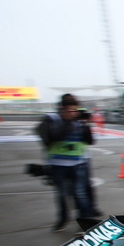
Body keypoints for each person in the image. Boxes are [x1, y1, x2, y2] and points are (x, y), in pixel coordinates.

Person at [36, 94, 95, 231]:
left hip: (77, 164)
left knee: (80, 193)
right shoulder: (52, 119)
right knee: (62, 194)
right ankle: (63, 218)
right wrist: (68, 121)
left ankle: (86, 221)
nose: (73, 113)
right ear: (62, 109)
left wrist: (86, 124)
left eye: (75, 110)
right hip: (58, 165)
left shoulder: (79, 121)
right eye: (70, 110)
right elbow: (53, 137)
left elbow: (90, 141)